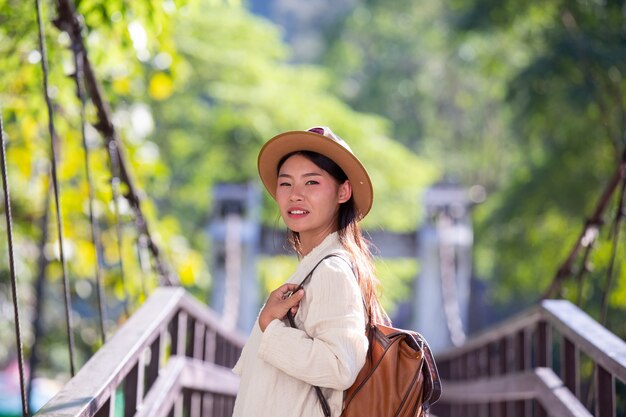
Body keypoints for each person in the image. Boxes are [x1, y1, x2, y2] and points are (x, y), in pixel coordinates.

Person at [232, 126, 388, 417]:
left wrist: (270, 326)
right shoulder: (314, 267)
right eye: (286, 184)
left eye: (312, 182)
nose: (295, 196)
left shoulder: (332, 270)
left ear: (343, 191)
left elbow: (340, 366)